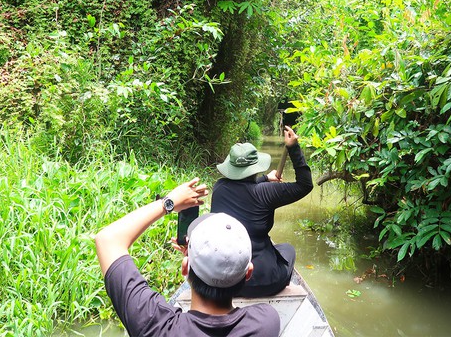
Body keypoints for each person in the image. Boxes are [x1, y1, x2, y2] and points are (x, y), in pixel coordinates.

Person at [94, 177, 280, 337]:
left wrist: (168, 203)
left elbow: (108, 240)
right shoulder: (265, 322)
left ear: (185, 267)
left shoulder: (159, 328)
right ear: (248, 273)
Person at [211, 125, 313, 297]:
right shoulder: (267, 192)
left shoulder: (219, 188)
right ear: (256, 167)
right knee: (287, 249)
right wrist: (294, 148)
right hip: (264, 281)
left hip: (225, 282)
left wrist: (265, 178)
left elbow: (243, 187)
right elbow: (305, 184)